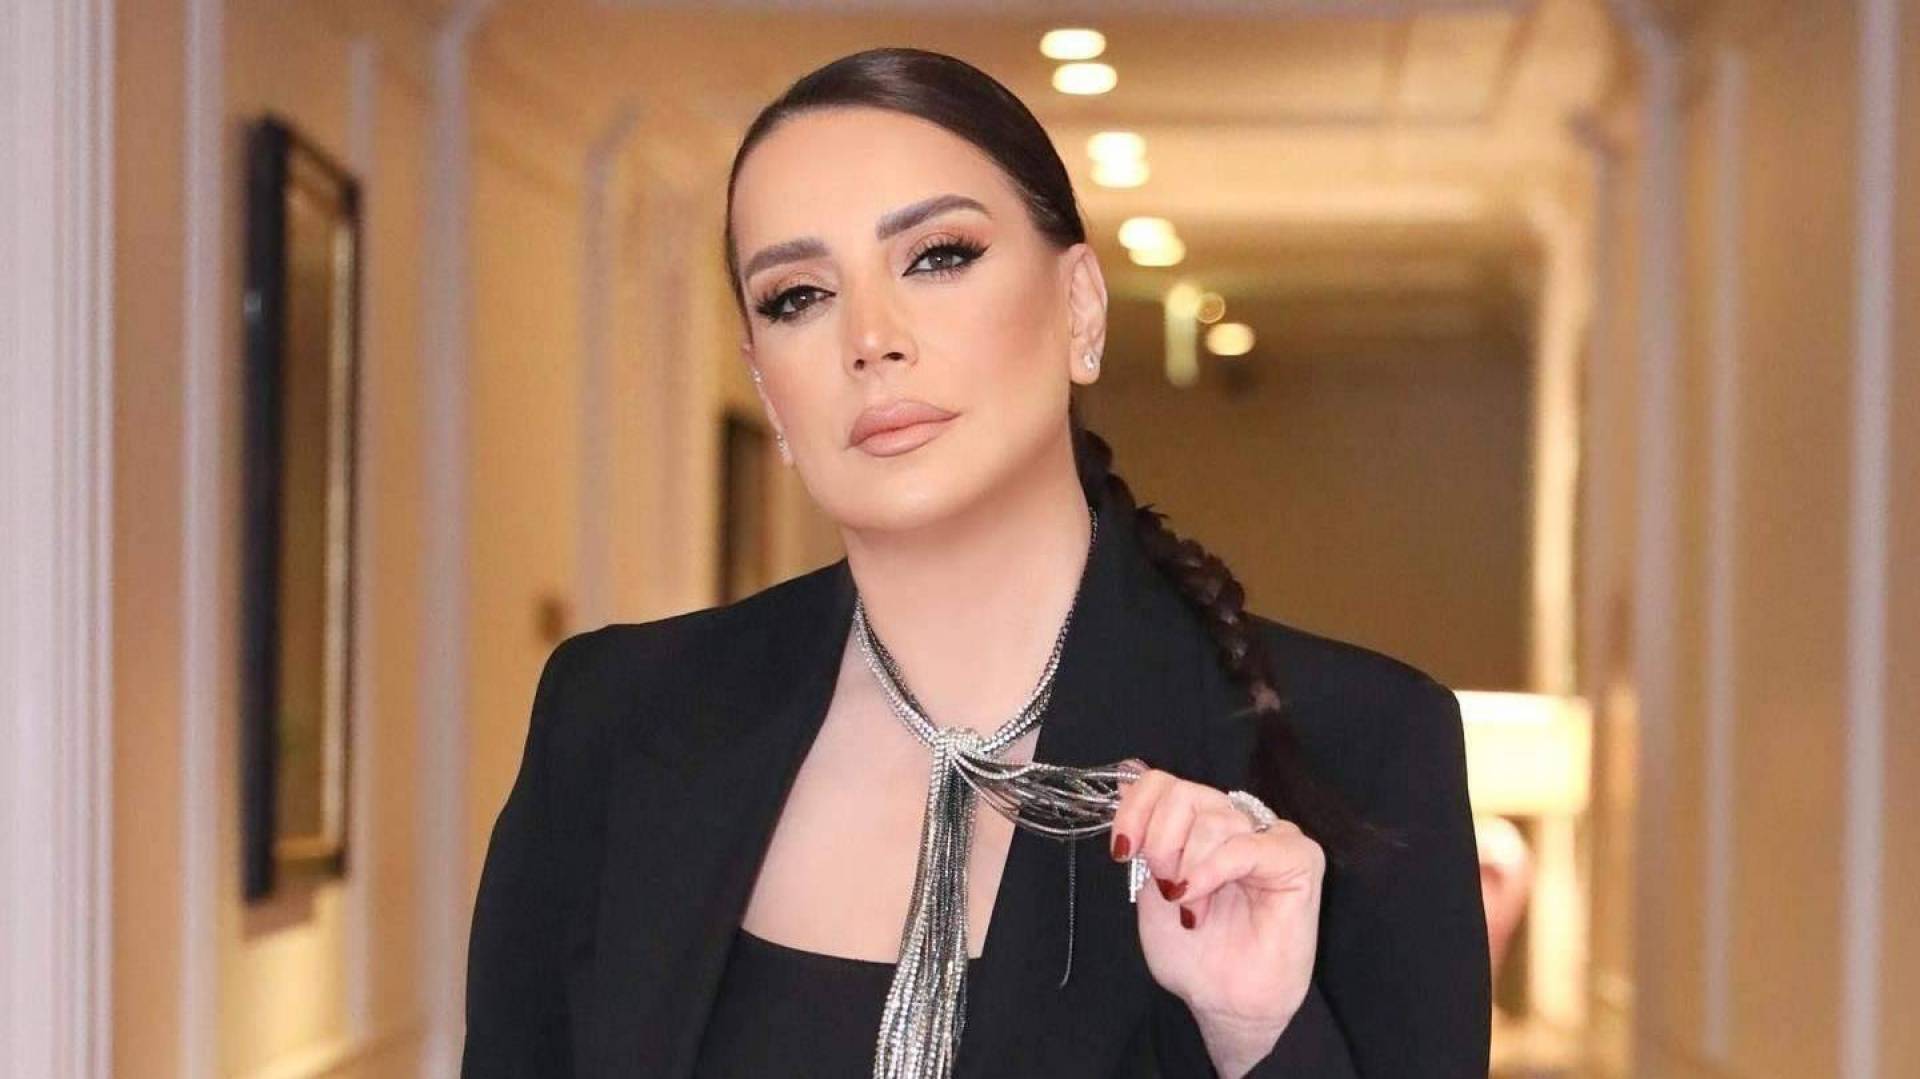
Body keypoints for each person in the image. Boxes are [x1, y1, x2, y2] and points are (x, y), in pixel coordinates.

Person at [462, 46, 1488, 1079]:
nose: (871, 337)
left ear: (1080, 309)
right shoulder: (614, 722)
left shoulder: (1359, 748)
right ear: (767, 389)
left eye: (938, 256)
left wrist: (1257, 1035)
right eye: (798, 295)